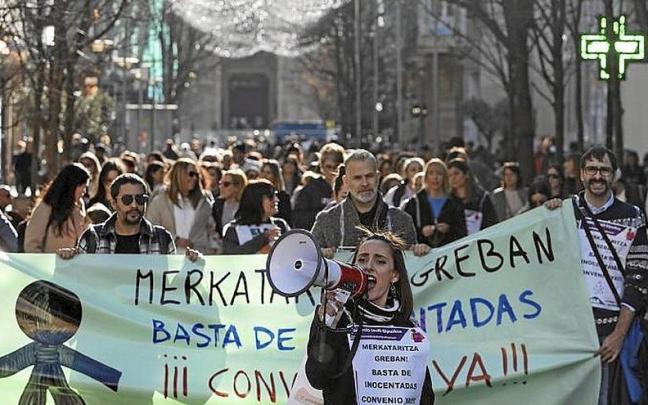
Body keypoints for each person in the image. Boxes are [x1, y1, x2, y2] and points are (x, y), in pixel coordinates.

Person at [545, 145, 648, 405]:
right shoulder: (563, 212)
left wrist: (619, 335)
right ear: (581, 174)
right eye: (592, 169)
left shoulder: (633, 217)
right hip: (569, 332)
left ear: (614, 175)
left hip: (609, 334)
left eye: (604, 170)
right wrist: (546, 217)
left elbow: (639, 280)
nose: (598, 176)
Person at [305, 230, 434, 404]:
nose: (368, 266)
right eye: (362, 259)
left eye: (380, 261)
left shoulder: (407, 330)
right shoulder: (337, 320)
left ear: (394, 275)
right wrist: (327, 327)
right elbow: (317, 378)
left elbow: (423, 395)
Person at [57, 173, 200, 261]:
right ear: (114, 203)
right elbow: (78, 281)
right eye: (126, 200)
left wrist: (189, 266)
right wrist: (68, 260)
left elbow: (170, 288)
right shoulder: (92, 237)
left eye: (139, 199)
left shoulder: (162, 238)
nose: (134, 205)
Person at [311, 149, 421, 258]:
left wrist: (420, 252)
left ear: (378, 177)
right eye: (357, 178)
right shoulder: (326, 221)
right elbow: (306, 261)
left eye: (369, 176)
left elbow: (413, 268)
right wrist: (320, 254)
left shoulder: (401, 220)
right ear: (346, 181)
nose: (364, 183)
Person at [146, 158, 214, 254]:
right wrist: (175, 239)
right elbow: (151, 228)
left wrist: (214, 250)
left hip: (197, 259)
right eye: (191, 174)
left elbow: (211, 229)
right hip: (168, 258)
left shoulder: (203, 202)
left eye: (196, 175)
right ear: (179, 175)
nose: (194, 178)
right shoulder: (160, 201)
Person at [403, 158, 467, 250]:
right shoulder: (414, 202)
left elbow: (462, 233)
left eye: (439, 174)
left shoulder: (455, 202)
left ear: (444, 177)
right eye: (431, 173)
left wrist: (449, 230)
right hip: (421, 256)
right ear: (426, 176)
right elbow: (405, 234)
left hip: (449, 255)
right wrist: (421, 232)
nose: (435, 177)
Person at [24, 164, 90, 253]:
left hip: (74, 265)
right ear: (72, 185)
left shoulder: (79, 206)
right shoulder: (46, 208)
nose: (84, 191)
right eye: (82, 186)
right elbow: (31, 245)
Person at [222, 179, 290, 254]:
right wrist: (264, 238)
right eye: (271, 196)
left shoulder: (280, 225)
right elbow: (231, 256)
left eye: (275, 195)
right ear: (256, 200)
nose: (276, 200)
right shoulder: (234, 230)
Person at [292, 143, 345, 230]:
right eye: (328, 166)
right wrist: (326, 211)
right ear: (321, 166)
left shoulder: (349, 187)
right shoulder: (311, 188)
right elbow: (298, 218)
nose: (332, 171)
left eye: (336, 167)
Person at [447, 158, 498, 235]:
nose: (453, 178)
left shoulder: (482, 198)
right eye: (449, 175)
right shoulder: (447, 201)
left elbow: (492, 224)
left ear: (466, 174)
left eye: (456, 173)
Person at [212, 168, 248, 240]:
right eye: (220, 183)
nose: (221, 187)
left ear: (238, 187)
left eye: (226, 184)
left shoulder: (247, 206)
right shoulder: (217, 205)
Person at [261, 159, 292, 225]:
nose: (264, 175)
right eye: (263, 172)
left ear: (275, 175)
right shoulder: (255, 193)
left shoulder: (283, 196)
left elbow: (287, 219)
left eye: (268, 173)